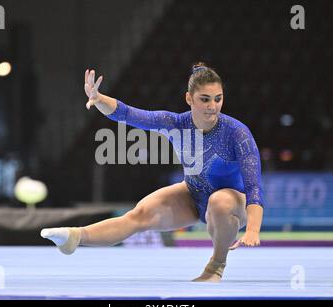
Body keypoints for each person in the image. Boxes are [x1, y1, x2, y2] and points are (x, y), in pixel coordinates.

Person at [41, 62, 265, 282]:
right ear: (189, 98)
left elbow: (254, 185)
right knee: (138, 215)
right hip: (194, 195)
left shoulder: (237, 134)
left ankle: (215, 267)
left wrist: (253, 229)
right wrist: (99, 99)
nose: (213, 106)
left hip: (235, 202)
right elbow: (130, 115)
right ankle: (76, 237)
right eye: (204, 99)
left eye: (218, 99)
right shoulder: (176, 124)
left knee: (218, 202)